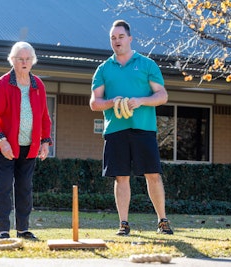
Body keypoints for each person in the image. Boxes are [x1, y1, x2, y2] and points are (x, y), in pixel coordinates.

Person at [90, 20, 173, 235]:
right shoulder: (103, 69)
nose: (117, 41)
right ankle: (123, 224)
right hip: (116, 129)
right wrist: (111, 102)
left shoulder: (146, 64)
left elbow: (162, 95)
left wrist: (141, 101)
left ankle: (162, 221)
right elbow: (94, 102)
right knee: (121, 176)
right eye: (113, 38)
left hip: (143, 128)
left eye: (120, 36)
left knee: (153, 174)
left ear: (130, 38)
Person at [0, 41, 52, 240]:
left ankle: (23, 229)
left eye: (27, 59)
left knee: (24, 188)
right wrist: (1, 141)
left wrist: (45, 142)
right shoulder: (2, 84)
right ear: (12, 61)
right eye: (20, 59)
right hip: (4, 147)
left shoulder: (38, 84)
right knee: (4, 186)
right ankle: (3, 231)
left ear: (32, 61)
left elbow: (44, 117)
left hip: (29, 147)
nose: (24, 62)